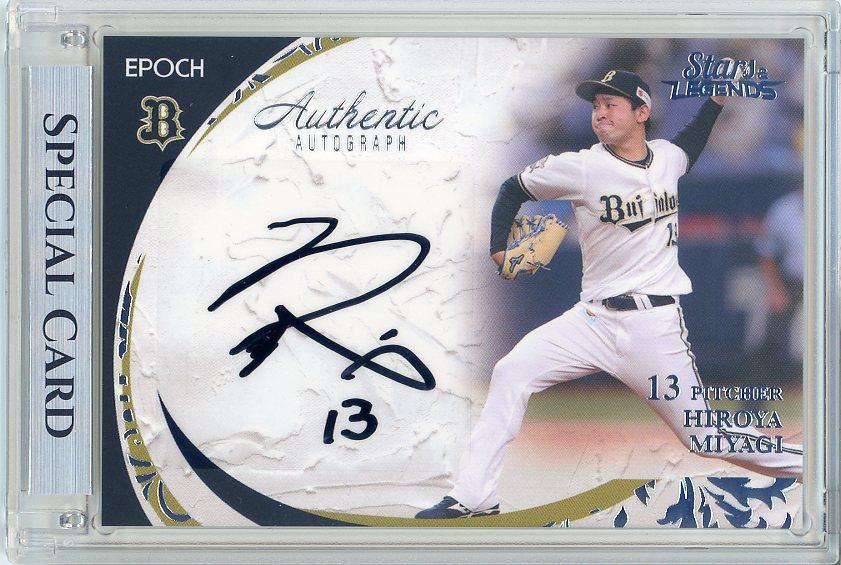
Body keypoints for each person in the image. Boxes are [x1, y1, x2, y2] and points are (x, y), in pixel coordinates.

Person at [416, 69, 803, 519]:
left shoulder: (666, 158)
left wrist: (714, 104)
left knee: (703, 437)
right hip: (591, 322)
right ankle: (475, 497)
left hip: (653, 328)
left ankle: (814, 469)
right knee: (510, 371)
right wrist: (499, 248)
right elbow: (512, 188)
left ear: (642, 112)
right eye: (596, 105)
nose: (600, 112)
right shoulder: (581, 167)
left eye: (611, 104)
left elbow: (691, 142)